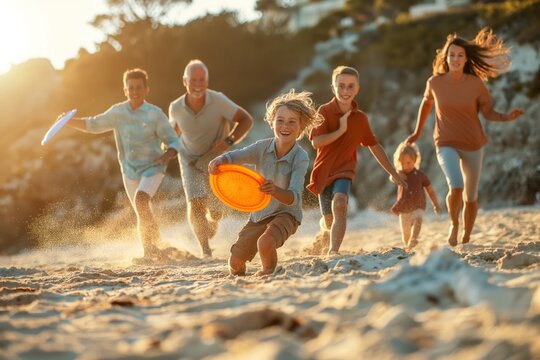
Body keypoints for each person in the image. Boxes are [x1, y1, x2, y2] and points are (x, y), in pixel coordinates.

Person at [406, 28, 525, 246]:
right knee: (456, 184)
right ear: (446, 57)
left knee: (470, 197)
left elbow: (488, 113)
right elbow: (426, 104)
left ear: (466, 58)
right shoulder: (434, 82)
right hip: (445, 141)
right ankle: (454, 224)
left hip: (473, 143)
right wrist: (417, 131)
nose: (456, 59)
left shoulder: (475, 84)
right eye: (452, 55)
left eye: (460, 55)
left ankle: (467, 233)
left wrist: (508, 117)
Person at [65, 68, 183, 261]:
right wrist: (69, 121)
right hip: (129, 170)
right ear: (125, 90)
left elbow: (173, 140)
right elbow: (93, 124)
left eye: (139, 87)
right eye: (131, 88)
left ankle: (150, 251)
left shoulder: (155, 114)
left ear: (146, 90)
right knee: (141, 209)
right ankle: (155, 244)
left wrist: (167, 155)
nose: (135, 91)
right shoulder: (118, 112)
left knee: (141, 200)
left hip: (154, 166)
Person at [208, 90, 324, 276]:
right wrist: (219, 160)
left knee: (265, 242)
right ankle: (243, 272)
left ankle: (269, 272)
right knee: (235, 263)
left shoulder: (300, 157)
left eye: (292, 121)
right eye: (280, 120)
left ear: (301, 128)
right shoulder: (261, 147)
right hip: (260, 213)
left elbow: (293, 198)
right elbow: (237, 156)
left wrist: (275, 190)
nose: (285, 125)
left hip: (287, 214)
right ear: (272, 123)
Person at [307, 66, 407, 256]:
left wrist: (393, 173)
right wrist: (340, 130)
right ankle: (325, 237)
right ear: (333, 87)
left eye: (350, 86)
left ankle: (333, 251)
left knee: (340, 203)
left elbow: (374, 146)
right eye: (341, 86)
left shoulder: (360, 119)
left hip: (345, 170)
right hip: (323, 172)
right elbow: (316, 142)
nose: (345, 91)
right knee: (329, 221)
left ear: (357, 89)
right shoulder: (324, 111)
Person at [169, 60, 253, 258]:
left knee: (216, 212)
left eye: (201, 80)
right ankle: (206, 250)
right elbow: (174, 130)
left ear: (207, 80)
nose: (197, 84)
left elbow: (246, 119)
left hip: (215, 158)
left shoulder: (219, 100)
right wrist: (167, 145)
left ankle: (212, 221)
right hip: (189, 159)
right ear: (184, 81)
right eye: (193, 80)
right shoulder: (175, 107)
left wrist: (230, 140)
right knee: (195, 201)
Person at [391, 142, 441, 250]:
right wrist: (397, 176)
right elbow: (392, 178)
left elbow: (430, 191)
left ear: (415, 161)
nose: (406, 166)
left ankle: (414, 239)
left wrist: (435, 204)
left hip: (418, 205)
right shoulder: (400, 174)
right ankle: (408, 246)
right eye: (403, 163)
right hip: (404, 208)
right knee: (405, 234)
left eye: (409, 162)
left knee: (418, 220)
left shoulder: (421, 175)